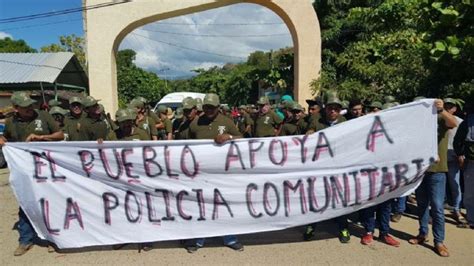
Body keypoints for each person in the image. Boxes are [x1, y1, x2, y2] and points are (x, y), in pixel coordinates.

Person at [0, 92, 64, 256]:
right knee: (26, 203)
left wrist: (42, 137)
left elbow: (60, 135)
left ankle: (53, 239)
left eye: (30, 104)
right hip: (24, 171)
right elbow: (6, 140)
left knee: (49, 203)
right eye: (25, 106)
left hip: (46, 169)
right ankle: (26, 240)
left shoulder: (43, 116)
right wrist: (2, 139)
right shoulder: (10, 123)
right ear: (16, 108)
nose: (30, 108)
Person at [185, 93, 244, 253]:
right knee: (200, 206)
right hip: (201, 173)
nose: (209, 110)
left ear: (218, 108)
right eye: (206, 107)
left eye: (212, 107)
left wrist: (229, 136)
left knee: (224, 205)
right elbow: (186, 145)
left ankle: (230, 238)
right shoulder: (195, 124)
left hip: (222, 174)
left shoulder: (227, 122)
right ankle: (198, 239)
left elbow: (242, 140)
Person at [408, 99, 457, 257]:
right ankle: (422, 233)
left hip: (437, 171)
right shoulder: (414, 124)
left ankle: (439, 241)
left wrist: (442, 110)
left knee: (437, 206)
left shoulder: (439, 117)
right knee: (422, 204)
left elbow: (453, 122)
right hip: (420, 171)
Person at [303, 92, 351, 243]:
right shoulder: (318, 122)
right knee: (317, 198)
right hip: (320, 168)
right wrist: (310, 133)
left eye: (336, 108)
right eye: (330, 108)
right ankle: (311, 226)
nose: (333, 111)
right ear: (326, 108)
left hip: (339, 168)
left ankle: (343, 228)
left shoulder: (346, 122)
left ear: (339, 110)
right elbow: (308, 136)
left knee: (340, 199)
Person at [443, 98, 465, 224]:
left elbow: (463, 141)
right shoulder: (437, 120)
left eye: (451, 106)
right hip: (439, 157)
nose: (448, 108)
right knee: (439, 185)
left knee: (454, 184)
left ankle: (456, 209)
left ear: (455, 109)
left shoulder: (460, 122)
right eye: (446, 105)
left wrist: (461, 155)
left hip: (454, 157)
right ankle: (437, 210)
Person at [453, 102, 474, 229]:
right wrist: (460, 154)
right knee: (470, 193)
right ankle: (471, 220)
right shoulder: (467, 122)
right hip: (471, 162)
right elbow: (457, 140)